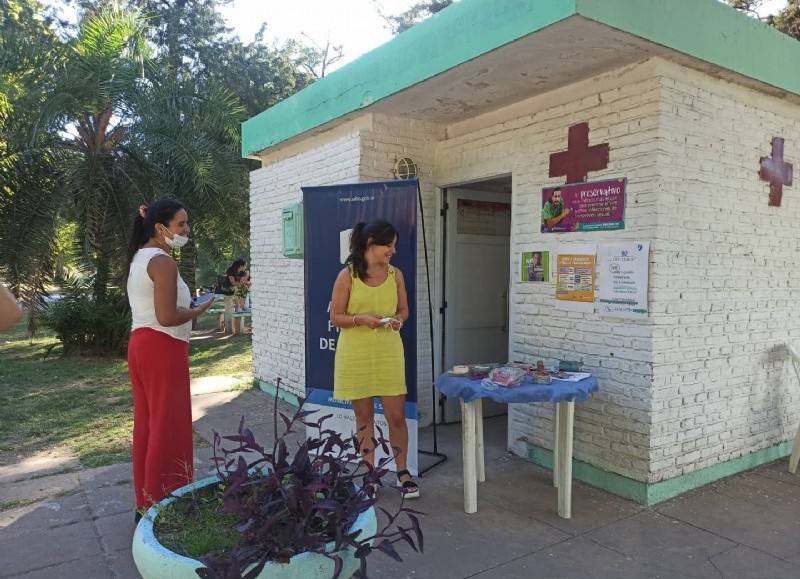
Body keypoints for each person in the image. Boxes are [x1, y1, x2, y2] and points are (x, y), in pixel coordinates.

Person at [126, 200, 215, 519]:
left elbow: (157, 308)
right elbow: (166, 316)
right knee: (168, 425)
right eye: (181, 224)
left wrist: (186, 305)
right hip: (162, 347)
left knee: (150, 425)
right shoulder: (163, 261)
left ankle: (148, 501)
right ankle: (166, 502)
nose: (187, 230)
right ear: (160, 228)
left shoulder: (141, 256)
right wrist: (198, 309)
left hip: (142, 345)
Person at [329, 220, 418, 499]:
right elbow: (336, 317)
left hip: (389, 352)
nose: (393, 250)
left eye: (394, 245)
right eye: (388, 245)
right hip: (355, 354)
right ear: (370, 244)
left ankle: (402, 471)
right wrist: (360, 319)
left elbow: (404, 310)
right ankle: (370, 471)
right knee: (364, 417)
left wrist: (398, 320)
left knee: (397, 416)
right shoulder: (347, 276)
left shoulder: (396, 275)